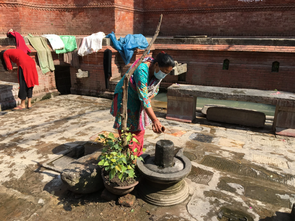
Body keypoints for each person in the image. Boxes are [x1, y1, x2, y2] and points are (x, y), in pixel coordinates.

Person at [110, 52, 175, 156]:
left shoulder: (157, 72)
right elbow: (144, 98)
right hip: (126, 96)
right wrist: (155, 120)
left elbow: (154, 90)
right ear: (157, 65)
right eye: (163, 71)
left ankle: (137, 155)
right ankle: (129, 156)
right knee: (127, 128)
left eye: (167, 73)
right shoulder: (142, 69)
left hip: (139, 97)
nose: (164, 74)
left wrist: (147, 99)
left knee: (140, 128)